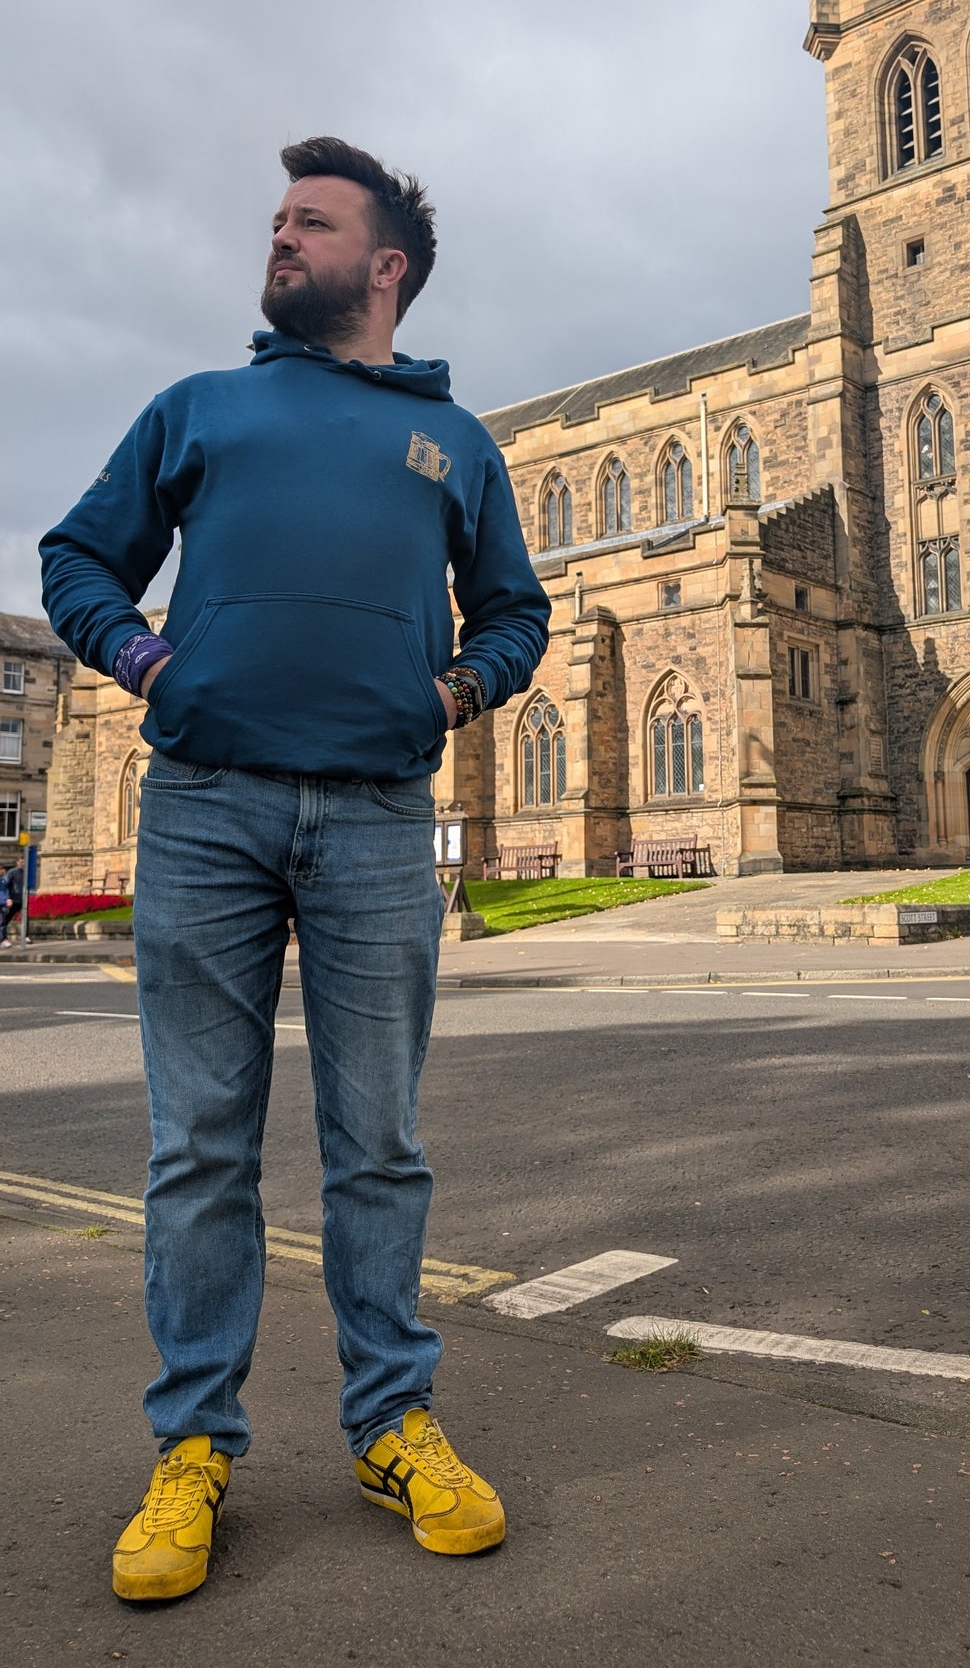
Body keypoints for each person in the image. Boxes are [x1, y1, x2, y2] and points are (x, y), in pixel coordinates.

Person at [40, 137, 551, 1602]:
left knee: (377, 1139)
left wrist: (449, 695)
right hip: (203, 804)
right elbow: (78, 558)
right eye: (276, 218)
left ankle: (391, 1421)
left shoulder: (455, 442)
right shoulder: (199, 407)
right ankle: (192, 1442)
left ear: (384, 266)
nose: (280, 237)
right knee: (199, 1145)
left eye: (311, 222)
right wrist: (147, 657)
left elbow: (514, 614)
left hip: (381, 819)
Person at [0, 857, 23, 947]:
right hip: (2, 903)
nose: (3, 871)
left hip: (3, 904)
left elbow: (6, 891)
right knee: (1, 922)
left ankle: (3, 939)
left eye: (3, 869)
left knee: (2, 922)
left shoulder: (3, 880)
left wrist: (8, 899)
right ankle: (3, 940)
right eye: (2, 869)